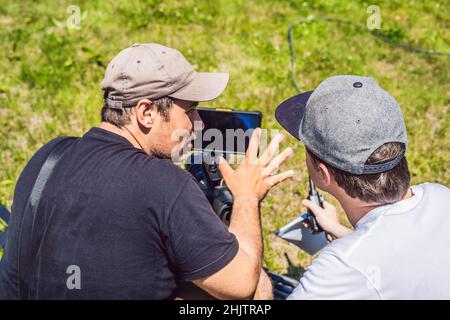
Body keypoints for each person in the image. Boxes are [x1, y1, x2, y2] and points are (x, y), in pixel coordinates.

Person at [0, 43, 294, 299]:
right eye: (190, 110)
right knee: (257, 289)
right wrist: (246, 197)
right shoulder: (166, 184)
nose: (199, 124)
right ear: (146, 112)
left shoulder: (49, 154)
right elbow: (240, 284)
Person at [274, 75, 450, 299]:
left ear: (323, 173)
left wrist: (246, 200)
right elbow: (400, 257)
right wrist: (342, 233)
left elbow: (364, 266)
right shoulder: (441, 196)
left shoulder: (338, 272)